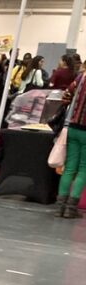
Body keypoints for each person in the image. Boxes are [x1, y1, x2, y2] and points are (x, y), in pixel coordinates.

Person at [54, 71, 86, 219]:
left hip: (73, 128)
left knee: (69, 168)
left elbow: (66, 96)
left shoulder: (81, 76)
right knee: (83, 169)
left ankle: (60, 207)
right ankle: (71, 208)